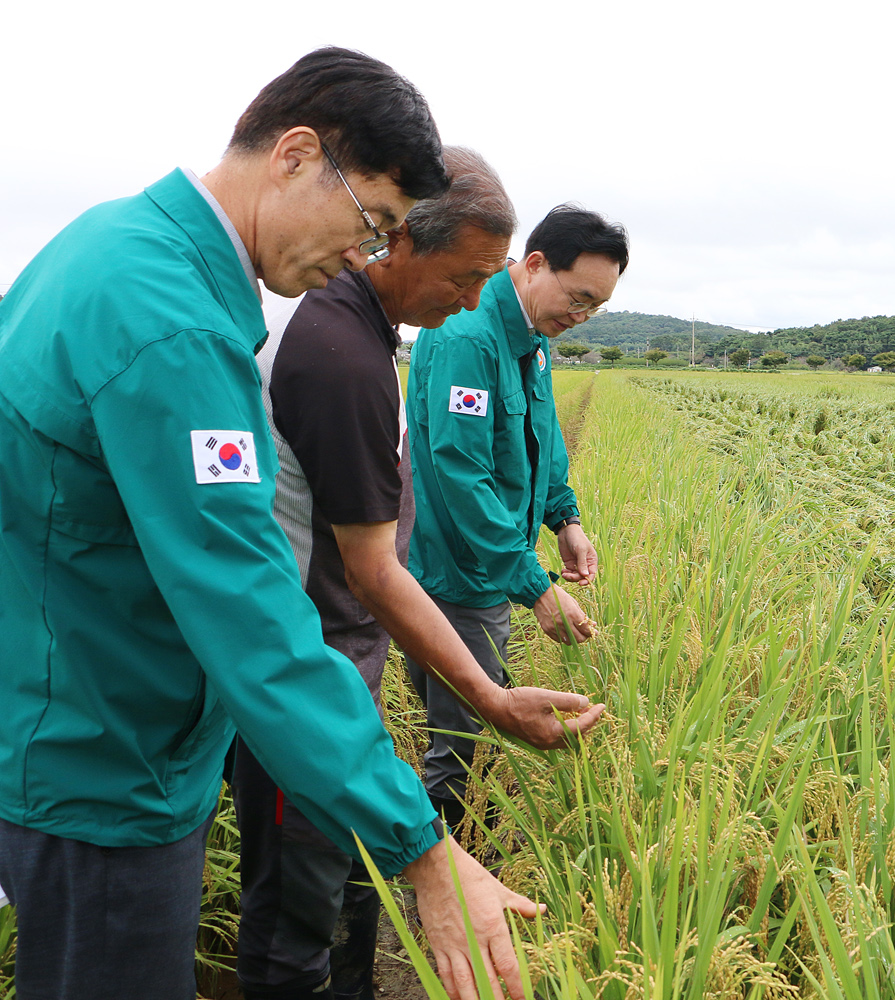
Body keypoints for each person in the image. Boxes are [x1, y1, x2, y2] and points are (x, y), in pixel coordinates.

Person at [0, 48, 536, 1000]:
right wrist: (419, 844)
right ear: (296, 154)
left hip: (80, 710)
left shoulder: (118, 244)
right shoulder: (172, 322)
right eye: (371, 222)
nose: (365, 257)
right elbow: (251, 611)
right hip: (102, 765)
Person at [240, 147, 606, 1000]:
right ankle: (434, 865)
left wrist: (564, 517)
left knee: (340, 887)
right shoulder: (345, 352)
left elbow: (535, 446)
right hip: (306, 671)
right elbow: (383, 556)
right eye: (467, 275)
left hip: (336, 668)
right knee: (300, 916)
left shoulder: (381, 338)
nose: (476, 298)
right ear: (400, 237)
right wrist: (492, 680)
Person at [406, 205, 628, 820]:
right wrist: (536, 588)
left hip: (487, 569)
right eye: (578, 298)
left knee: (467, 722)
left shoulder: (533, 334)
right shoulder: (468, 335)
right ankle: (443, 881)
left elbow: (543, 433)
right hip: (455, 574)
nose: (579, 318)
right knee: (462, 737)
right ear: (534, 265)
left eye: (595, 309)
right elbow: (461, 474)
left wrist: (566, 519)